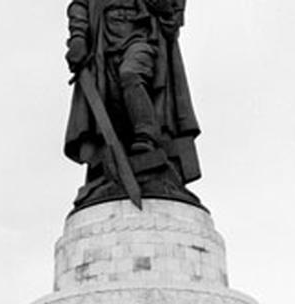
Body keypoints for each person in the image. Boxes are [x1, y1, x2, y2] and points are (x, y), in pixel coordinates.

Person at [64, 0, 201, 208]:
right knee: (111, 100)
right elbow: (80, 4)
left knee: (131, 74)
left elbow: (171, 9)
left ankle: (146, 136)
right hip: (103, 38)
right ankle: (115, 166)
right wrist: (78, 37)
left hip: (141, 34)